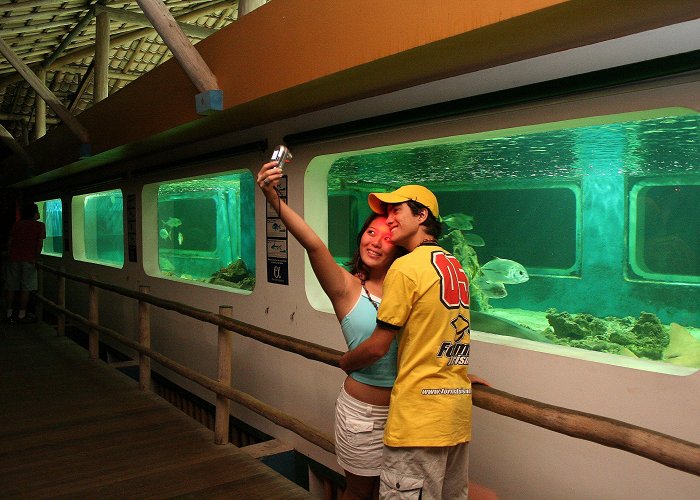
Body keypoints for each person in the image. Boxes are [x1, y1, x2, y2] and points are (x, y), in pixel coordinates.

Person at [257, 160, 406, 500]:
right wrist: (273, 197)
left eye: (387, 238)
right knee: (359, 492)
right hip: (362, 415)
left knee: (396, 494)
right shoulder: (346, 287)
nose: (376, 243)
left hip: (405, 411)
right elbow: (313, 244)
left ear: (399, 248)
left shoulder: (410, 289)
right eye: (370, 233)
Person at [339, 185, 485, 499]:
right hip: (454, 414)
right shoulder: (454, 266)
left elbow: (379, 346)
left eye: (397, 211)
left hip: (418, 419)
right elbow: (445, 335)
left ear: (421, 215)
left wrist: (346, 361)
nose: (389, 219)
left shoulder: (405, 268)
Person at [4, 202, 46, 323]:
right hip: (29, 260)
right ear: (34, 213)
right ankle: (22, 315)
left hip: (13, 259)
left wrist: (9, 255)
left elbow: (10, 242)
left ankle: (9, 313)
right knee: (26, 288)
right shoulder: (40, 226)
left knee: (11, 286)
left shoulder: (17, 225)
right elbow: (39, 244)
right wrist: (35, 257)